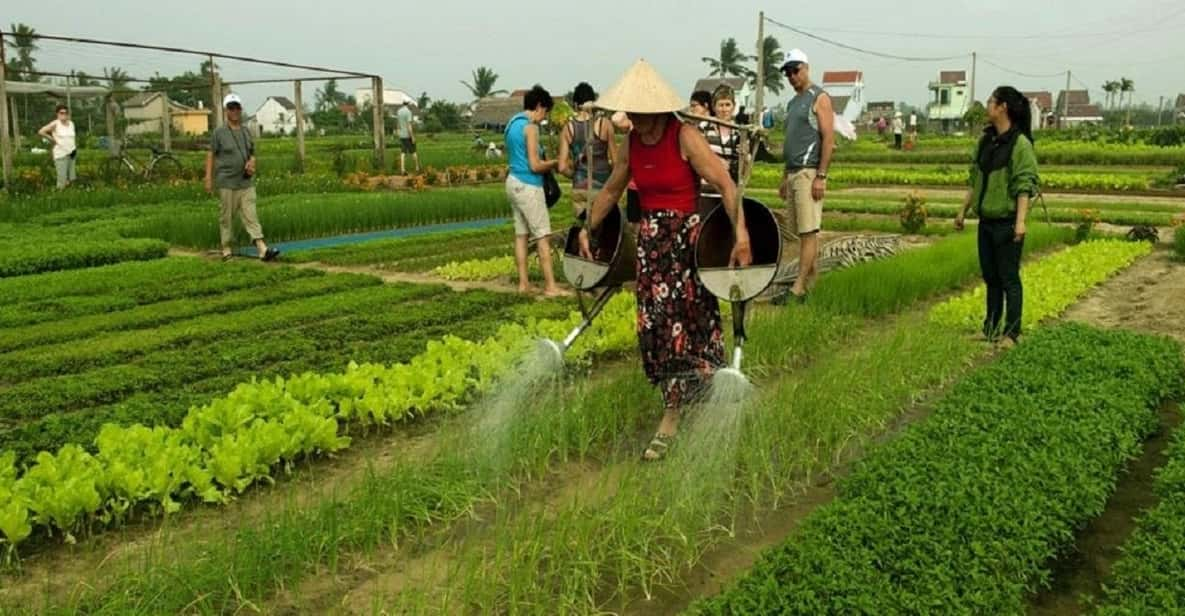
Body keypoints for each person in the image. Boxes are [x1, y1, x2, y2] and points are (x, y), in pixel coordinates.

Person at [579, 60, 752, 461]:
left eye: (641, 113)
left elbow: (726, 184)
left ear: (657, 109)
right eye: (631, 113)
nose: (635, 120)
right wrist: (586, 227)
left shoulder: (684, 136)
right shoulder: (631, 144)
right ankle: (674, 408)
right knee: (657, 330)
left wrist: (740, 234)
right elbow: (609, 191)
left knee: (693, 323)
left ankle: (694, 404)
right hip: (651, 245)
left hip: (686, 243)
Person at [954, 86, 1038, 349]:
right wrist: (963, 210)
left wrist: (1021, 222)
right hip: (986, 222)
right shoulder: (986, 142)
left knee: (1009, 278)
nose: (987, 106)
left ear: (1003, 107)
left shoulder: (1020, 144)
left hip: (1008, 221)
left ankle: (1012, 333)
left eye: (991, 101)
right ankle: (990, 329)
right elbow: (975, 179)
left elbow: (1024, 185)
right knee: (991, 277)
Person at [776, 49, 834, 304]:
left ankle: (797, 289)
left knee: (809, 232)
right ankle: (812, 287)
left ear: (806, 68)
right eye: (787, 72)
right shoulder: (792, 103)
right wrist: (783, 177)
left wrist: (821, 175)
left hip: (808, 172)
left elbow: (828, 139)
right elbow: (790, 141)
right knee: (800, 232)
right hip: (792, 172)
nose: (791, 76)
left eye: (795, 70)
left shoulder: (818, 97)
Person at [205, 94, 280, 262]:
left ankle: (262, 249)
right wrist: (208, 178)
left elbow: (252, 153)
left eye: (237, 107)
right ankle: (226, 249)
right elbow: (211, 154)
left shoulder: (246, 131)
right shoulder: (219, 133)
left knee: (251, 215)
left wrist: (252, 163)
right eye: (231, 107)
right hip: (227, 182)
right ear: (226, 111)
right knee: (226, 217)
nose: (235, 111)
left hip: (246, 182)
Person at [504, 85, 562, 296]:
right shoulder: (530, 128)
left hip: (512, 182)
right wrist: (555, 163)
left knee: (521, 235)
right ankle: (550, 286)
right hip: (529, 185)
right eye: (545, 112)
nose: (543, 117)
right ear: (539, 106)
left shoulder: (512, 124)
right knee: (542, 236)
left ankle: (523, 284)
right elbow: (535, 165)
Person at [558, 82, 615, 218]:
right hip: (602, 188)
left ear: (576, 105)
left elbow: (561, 167)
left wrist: (576, 175)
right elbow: (616, 161)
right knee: (602, 231)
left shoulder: (568, 128)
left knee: (583, 227)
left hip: (579, 188)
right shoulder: (604, 124)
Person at [703, 84, 741, 186]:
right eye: (721, 105)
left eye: (727, 105)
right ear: (714, 107)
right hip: (706, 187)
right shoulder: (704, 129)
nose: (724, 110)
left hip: (730, 188)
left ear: (734, 106)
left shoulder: (739, 132)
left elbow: (743, 168)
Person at [38, 104, 77, 189]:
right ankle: (60, 195)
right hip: (61, 154)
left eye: (66, 113)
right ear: (57, 114)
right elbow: (41, 131)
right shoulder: (55, 124)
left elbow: (72, 138)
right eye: (61, 113)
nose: (64, 115)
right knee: (62, 178)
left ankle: (70, 195)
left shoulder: (71, 124)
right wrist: (52, 140)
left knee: (72, 177)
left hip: (72, 153)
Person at [397, 101, 421, 175]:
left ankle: (402, 169)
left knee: (403, 152)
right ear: (408, 104)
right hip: (408, 135)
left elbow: (398, 124)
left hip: (402, 135)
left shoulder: (399, 112)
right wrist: (412, 136)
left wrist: (398, 133)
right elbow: (409, 126)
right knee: (413, 151)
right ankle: (417, 168)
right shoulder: (408, 112)